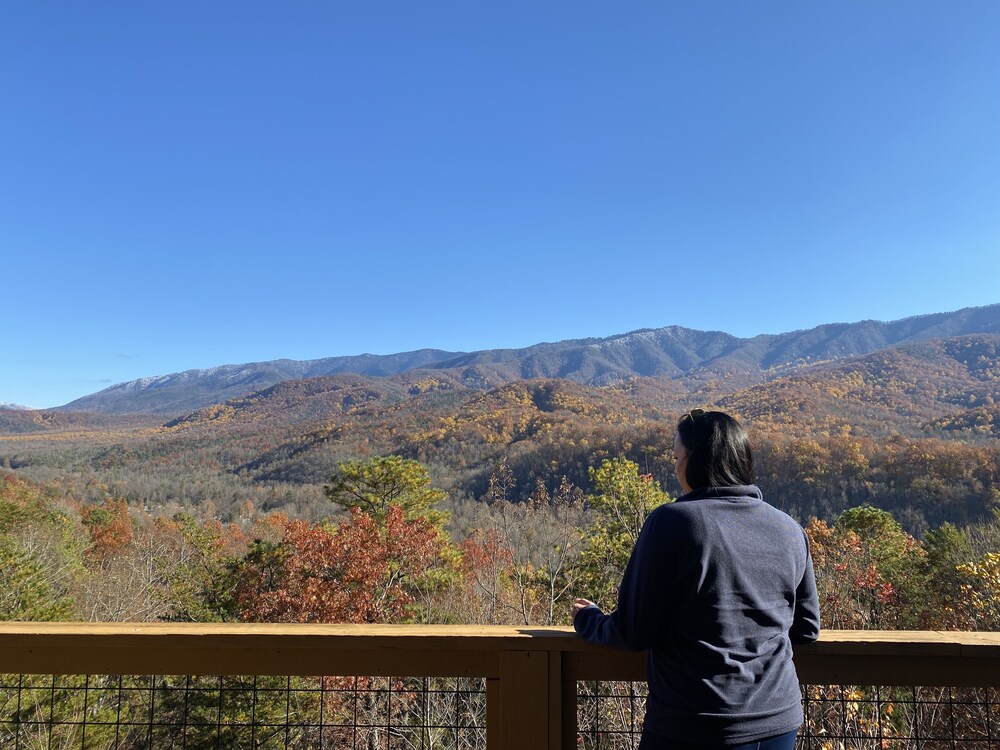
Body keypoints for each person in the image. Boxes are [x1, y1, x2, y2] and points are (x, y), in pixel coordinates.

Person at [573, 409, 820, 750]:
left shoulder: (672, 523)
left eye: (677, 458)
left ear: (695, 461)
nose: (675, 469)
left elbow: (633, 631)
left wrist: (588, 620)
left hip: (692, 722)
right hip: (779, 719)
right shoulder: (789, 529)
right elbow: (807, 629)